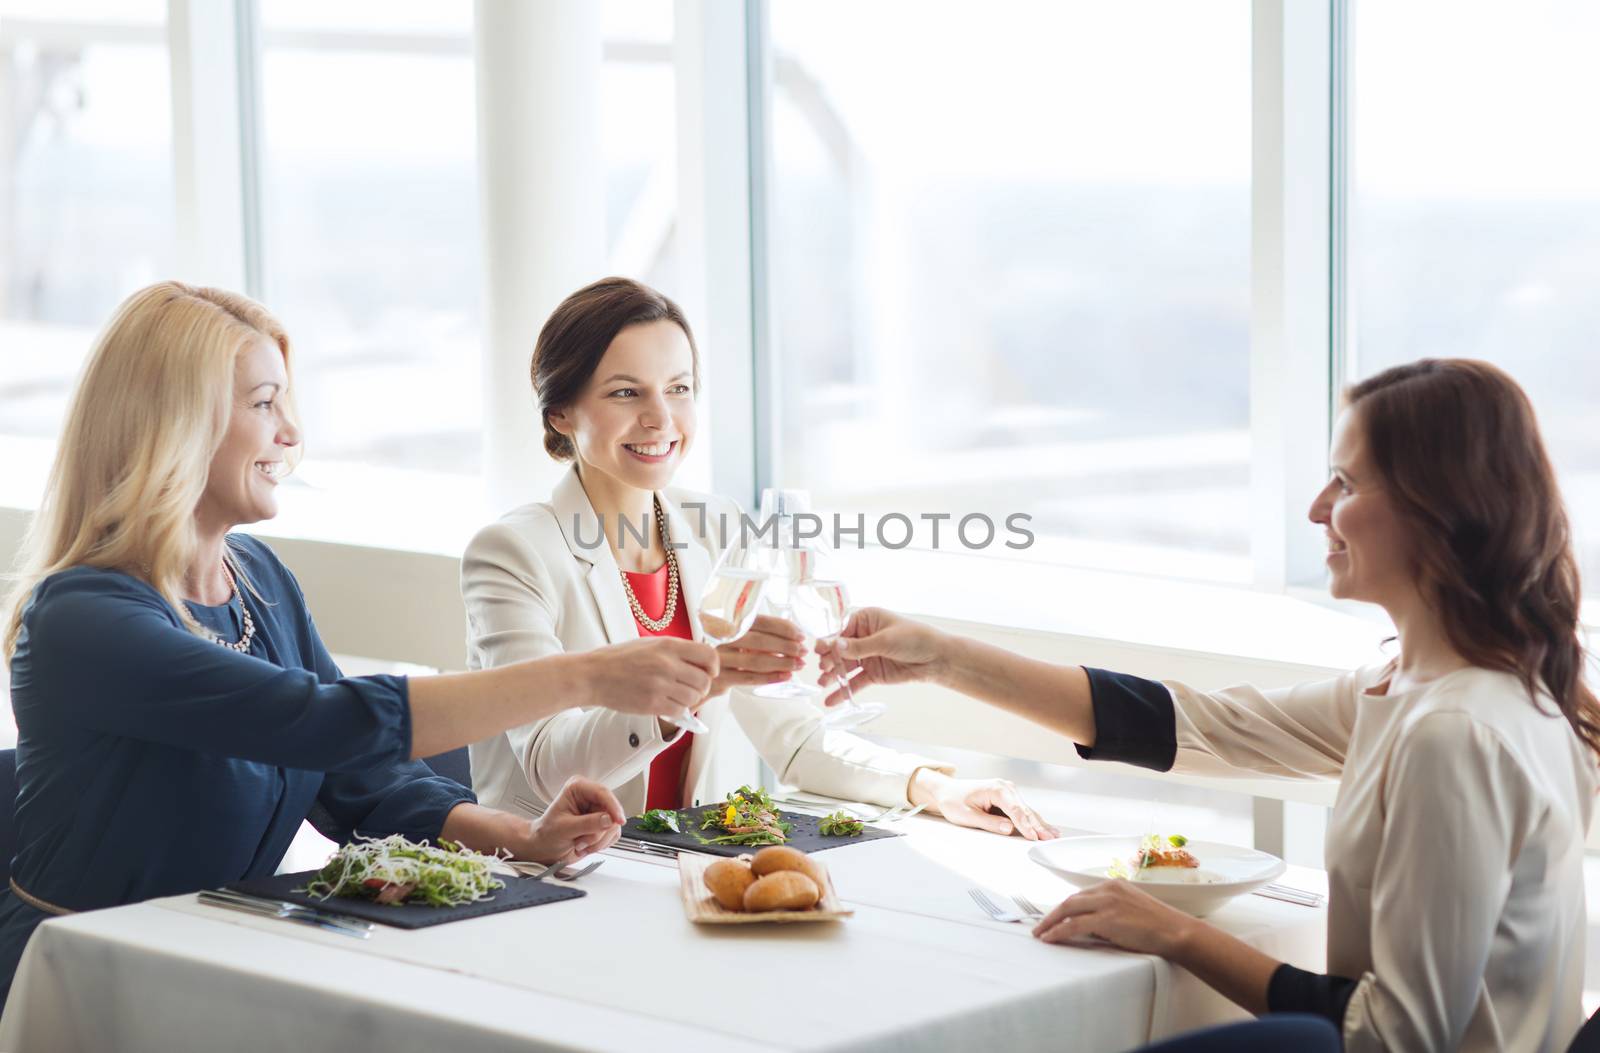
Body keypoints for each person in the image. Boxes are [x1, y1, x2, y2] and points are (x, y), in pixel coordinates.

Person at [816, 359, 1600, 1051]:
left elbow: (1393, 1036)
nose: (1317, 508)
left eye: (1349, 483)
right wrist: (942, 657)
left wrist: (1176, 932)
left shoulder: (1454, 732)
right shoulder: (1421, 687)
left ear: (1439, 510)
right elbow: (1188, 723)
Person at [0, 282, 720, 1008]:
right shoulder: (84, 617)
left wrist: (520, 835)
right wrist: (585, 676)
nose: (291, 433)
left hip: (213, 952)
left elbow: (358, 775)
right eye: (262, 404)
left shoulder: (259, 581)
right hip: (84, 975)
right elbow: (323, 720)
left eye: (287, 402)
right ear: (172, 425)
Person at [461, 277, 1054, 837]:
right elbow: (548, 767)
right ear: (560, 412)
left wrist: (931, 787)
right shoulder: (514, 554)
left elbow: (793, 737)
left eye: (678, 388)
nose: (660, 419)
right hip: (549, 877)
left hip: (673, 865)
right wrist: (698, 682)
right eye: (625, 392)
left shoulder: (715, 528)